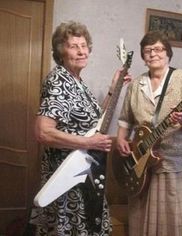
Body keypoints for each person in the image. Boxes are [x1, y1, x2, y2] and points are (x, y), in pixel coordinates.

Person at [29, 21, 130, 235]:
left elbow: (95, 124)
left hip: (84, 173)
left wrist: (113, 89)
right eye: (74, 46)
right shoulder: (59, 81)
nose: (82, 51)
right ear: (61, 51)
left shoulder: (78, 82)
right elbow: (42, 131)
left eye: (84, 46)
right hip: (67, 174)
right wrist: (88, 142)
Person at [116, 31, 182, 236]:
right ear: (142, 56)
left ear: (168, 53)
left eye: (158, 49)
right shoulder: (136, 85)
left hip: (176, 165)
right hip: (140, 167)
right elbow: (125, 119)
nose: (152, 53)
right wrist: (121, 138)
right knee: (141, 223)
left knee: (177, 225)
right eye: (147, 50)